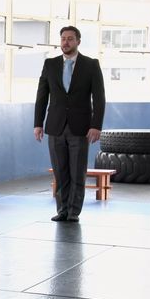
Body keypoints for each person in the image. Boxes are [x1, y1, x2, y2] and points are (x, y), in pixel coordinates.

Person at [34, 25, 106, 222]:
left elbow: (99, 98)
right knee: (60, 171)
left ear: (78, 41)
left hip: (80, 127)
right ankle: (62, 210)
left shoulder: (91, 65)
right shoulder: (50, 64)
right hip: (55, 126)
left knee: (77, 171)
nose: (66, 42)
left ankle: (74, 212)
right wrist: (38, 123)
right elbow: (42, 96)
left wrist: (96, 125)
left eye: (70, 39)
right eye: (63, 39)